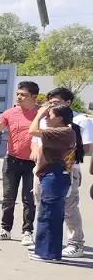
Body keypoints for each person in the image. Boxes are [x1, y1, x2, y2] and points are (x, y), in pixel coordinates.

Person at [32, 87, 92, 257]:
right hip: (43, 168)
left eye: (56, 103)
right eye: (49, 103)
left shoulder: (79, 121)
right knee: (44, 206)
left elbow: (87, 146)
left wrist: (63, 152)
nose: (51, 106)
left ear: (68, 103)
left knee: (68, 206)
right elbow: (36, 138)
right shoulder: (47, 119)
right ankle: (45, 242)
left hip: (66, 169)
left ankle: (75, 243)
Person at [0, 81, 40, 245]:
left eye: (23, 95)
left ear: (34, 97)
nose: (19, 97)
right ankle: (5, 230)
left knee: (29, 199)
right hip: (12, 161)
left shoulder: (41, 115)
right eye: (18, 94)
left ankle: (27, 231)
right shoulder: (10, 113)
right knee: (8, 198)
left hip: (33, 163)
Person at [28, 103, 81, 262]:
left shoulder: (63, 131)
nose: (46, 118)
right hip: (53, 174)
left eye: (50, 116)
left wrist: (39, 114)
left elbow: (32, 131)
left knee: (49, 215)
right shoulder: (64, 130)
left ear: (59, 118)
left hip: (55, 175)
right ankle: (44, 250)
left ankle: (49, 253)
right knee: (48, 213)